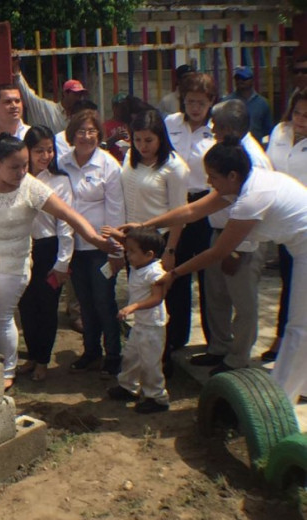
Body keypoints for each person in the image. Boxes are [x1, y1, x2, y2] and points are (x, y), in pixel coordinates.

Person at [126, 138, 307, 403]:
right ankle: (299, 386)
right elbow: (192, 210)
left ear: (232, 175)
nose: (209, 183)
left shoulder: (253, 197)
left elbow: (218, 252)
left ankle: (278, 402)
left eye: (212, 177)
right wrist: (144, 226)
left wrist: (174, 273)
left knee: (298, 328)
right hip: (299, 248)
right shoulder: (246, 180)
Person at [0, 132, 117, 387]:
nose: (21, 172)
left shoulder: (32, 188)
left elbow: (70, 216)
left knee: (0, 317)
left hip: (13, 263)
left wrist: (95, 240)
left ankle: (7, 370)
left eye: (25, 165)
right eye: (14, 167)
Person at [187, 99, 272, 374]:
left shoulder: (252, 159)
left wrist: (236, 250)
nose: (211, 130)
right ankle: (219, 348)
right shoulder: (229, 150)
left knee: (243, 302)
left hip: (243, 241)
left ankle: (237, 359)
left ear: (229, 128)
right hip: (220, 231)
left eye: (216, 126)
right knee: (216, 295)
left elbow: (254, 213)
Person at [111, 110, 189, 372]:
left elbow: (181, 214)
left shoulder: (175, 167)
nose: (142, 146)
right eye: (138, 140)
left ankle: (165, 359)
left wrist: (170, 250)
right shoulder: (130, 159)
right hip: (133, 241)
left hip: (159, 243)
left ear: (161, 139)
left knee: (161, 301)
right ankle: (137, 359)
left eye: (149, 141)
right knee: (138, 297)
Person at [57, 110, 126, 377]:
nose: (86, 137)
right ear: (72, 135)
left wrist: (115, 249)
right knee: (84, 303)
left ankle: (113, 355)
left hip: (101, 248)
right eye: (81, 132)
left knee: (104, 302)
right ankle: (91, 351)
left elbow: (116, 209)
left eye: (91, 132)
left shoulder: (109, 165)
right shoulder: (62, 163)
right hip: (74, 247)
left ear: (99, 134)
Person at [164, 72, 217, 358]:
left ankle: (214, 339)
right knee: (176, 270)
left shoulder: (217, 128)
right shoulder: (170, 124)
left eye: (200, 102)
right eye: (189, 101)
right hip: (176, 205)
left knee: (210, 276)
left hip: (207, 204)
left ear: (211, 102)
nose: (194, 107)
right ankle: (176, 335)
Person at [16, 126, 75, 382]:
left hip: (48, 248)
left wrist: (63, 261)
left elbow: (66, 224)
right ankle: (32, 354)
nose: (45, 155)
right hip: (21, 249)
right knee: (26, 305)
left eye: (50, 149)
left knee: (47, 307)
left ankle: (43, 359)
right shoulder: (17, 177)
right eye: (39, 150)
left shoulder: (60, 181)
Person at [104, 227, 170, 413]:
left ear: (149, 254)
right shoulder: (138, 264)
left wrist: (133, 307)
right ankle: (128, 387)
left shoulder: (154, 272)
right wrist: (117, 236)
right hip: (141, 324)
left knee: (150, 363)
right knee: (131, 356)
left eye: (132, 252)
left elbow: (157, 298)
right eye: (127, 250)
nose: (128, 254)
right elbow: (130, 242)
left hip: (152, 325)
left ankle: (157, 397)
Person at [264, 91, 307, 361]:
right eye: (298, 113)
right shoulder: (279, 132)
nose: (301, 119)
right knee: (288, 283)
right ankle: (281, 338)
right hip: (283, 223)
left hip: (305, 222)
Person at [13, 59, 88, 134]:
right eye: (75, 94)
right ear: (65, 93)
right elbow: (28, 95)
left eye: (81, 94)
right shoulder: (47, 109)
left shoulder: (81, 118)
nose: (79, 98)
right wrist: (17, 71)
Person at [223, 66, 273, 144]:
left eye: (244, 78)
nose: (240, 81)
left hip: (256, 147)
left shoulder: (262, 103)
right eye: (237, 78)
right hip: (232, 148)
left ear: (252, 80)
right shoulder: (226, 102)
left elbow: (267, 131)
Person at [104, 93, 131, 162]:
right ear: (114, 107)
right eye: (121, 107)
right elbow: (102, 146)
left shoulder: (132, 124)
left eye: (126, 106)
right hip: (115, 162)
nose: (124, 109)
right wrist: (115, 138)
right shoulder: (106, 126)